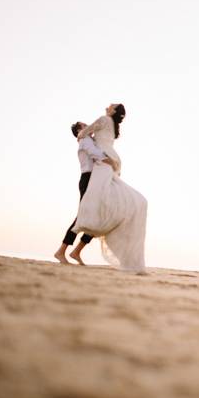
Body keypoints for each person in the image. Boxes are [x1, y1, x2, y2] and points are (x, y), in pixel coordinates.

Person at [73, 104, 148, 273]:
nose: (107, 106)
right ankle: (77, 248)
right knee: (102, 203)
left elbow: (84, 133)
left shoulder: (103, 120)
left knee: (95, 204)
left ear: (113, 111)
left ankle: (76, 244)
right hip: (110, 160)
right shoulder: (112, 125)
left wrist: (81, 133)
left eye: (111, 105)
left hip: (104, 161)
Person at [54, 122, 117, 265]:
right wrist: (111, 162)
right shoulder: (85, 140)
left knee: (97, 217)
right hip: (87, 179)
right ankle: (61, 251)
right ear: (79, 130)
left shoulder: (90, 140)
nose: (88, 125)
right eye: (84, 125)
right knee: (83, 217)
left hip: (94, 180)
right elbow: (95, 154)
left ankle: (76, 252)